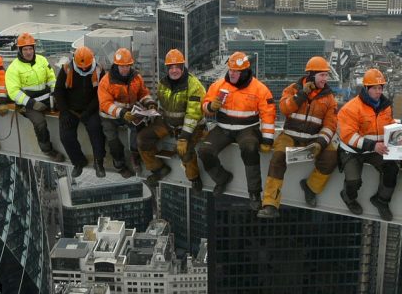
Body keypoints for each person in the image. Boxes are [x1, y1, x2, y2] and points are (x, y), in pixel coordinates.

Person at [257, 56, 338, 218]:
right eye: (322, 75)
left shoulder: (329, 99)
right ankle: (270, 204)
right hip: (290, 135)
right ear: (311, 75)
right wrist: (301, 95)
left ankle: (311, 187)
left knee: (331, 158)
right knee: (278, 158)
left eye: (326, 75)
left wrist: (320, 143)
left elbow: (330, 125)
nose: (325, 79)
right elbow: (285, 109)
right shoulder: (292, 89)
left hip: (314, 138)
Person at [198, 51, 276, 211]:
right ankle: (222, 178)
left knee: (250, 149)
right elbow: (205, 105)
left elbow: (268, 115)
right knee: (205, 151)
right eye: (231, 70)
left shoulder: (260, 89)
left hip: (247, 129)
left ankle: (254, 192)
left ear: (245, 72)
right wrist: (211, 107)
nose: (232, 74)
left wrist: (268, 139)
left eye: (236, 71)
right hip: (223, 128)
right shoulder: (218, 85)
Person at [136, 49, 206, 190]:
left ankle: (194, 177)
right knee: (143, 138)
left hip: (193, 127)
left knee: (185, 150)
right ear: (167, 68)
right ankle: (158, 169)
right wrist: (151, 109)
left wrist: (184, 137)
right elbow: (163, 106)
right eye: (171, 67)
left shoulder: (194, 86)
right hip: (168, 123)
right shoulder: (163, 84)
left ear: (182, 67)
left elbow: (193, 114)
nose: (174, 70)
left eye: (177, 67)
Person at [337, 68, 399, 221]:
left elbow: (389, 125)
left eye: (380, 88)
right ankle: (348, 197)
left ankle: (381, 200)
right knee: (353, 181)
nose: (379, 92)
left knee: (392, 168)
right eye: (375, 88)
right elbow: (348, 136)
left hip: (374, 149)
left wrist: (400, 135)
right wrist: (373, 146)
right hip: (352, 151)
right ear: (366, 89)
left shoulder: (385, 107)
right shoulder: (351, 108)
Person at [5, 33, 64, 162]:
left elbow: (51, 78)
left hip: (47, 98)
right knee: (40, 123)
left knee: (67, 109)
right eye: (25, 49)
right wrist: (31, 104)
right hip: (29, 104)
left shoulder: (42, 60)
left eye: (30, 48)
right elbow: (13, 92)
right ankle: (47, 150)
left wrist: (55, 93)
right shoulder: (13, 68)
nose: (28, 52)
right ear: (20, 50)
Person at [99, 48, 156, 178]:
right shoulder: (106, 81)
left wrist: (149, 103)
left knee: (138, 129)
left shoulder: (136, 78)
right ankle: (119, 165)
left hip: (129, 113)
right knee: (113, 141)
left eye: (127, 66)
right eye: (122, 66)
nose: (125, 69)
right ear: (116, 65)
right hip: (109, 116)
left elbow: (143, 93)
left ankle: (135, 157)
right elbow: (105, 104)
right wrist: (121, 112)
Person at [54, 46, 106, 177]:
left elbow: (101, 94)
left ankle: (98, 162)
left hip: (90, 109)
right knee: (66, 136)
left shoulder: (99, 70)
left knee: (97, 132)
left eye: (86, 67)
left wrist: (88, 111)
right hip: (70, 110)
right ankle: (78, 162)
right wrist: (64, 111)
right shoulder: (66, 70)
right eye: (81, 66)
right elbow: (59, 91)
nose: (83, 69)